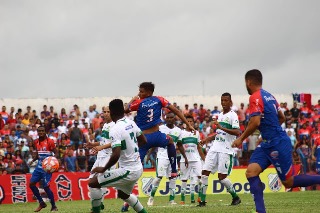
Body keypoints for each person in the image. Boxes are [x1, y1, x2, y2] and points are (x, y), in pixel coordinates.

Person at [231, 69, 320, 213]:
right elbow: (282, 117)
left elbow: (254, 122)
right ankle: (261, 211)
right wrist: (267, 132)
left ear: (248, 82)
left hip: (277, 143)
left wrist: (241, 138)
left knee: (288, 182)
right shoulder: (269, 96)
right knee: (251, 172)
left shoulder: (255, 97)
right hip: (268, 142)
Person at [88, 99, 148, 213]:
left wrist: (103, 168)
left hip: (128, 170)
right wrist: (131, 152)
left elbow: (115, 155)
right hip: (138, 167)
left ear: (111, 111)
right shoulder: (130, 122)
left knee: (93, 183)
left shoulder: (115, 129)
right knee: (123, 194)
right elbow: (143, 140)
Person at [125, 82, 195, 178]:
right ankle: (174, 170)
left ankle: (129, 178)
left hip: (144, 139)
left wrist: (132, 100)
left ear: (149, 93)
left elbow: (125, 110)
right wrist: (188, 125)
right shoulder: (159, 99)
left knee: (136, 163)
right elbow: (177, 111)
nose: (139, 94)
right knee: (170, 141)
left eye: (141, 92)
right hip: (157, 136)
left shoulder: (138, 103)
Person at [198, 93, 241, 207]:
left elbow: (237, 132)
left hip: (226, 150)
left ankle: (235, 197)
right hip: (215, 148)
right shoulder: (220, 115)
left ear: (230, 102)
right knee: (204, 173)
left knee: (222, 178)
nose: (223, 102)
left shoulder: (233, 115)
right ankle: (202, 201)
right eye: (222, 100)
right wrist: (207, 139)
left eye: (226, 100)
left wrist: (221, 127)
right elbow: (218, 133)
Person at [146, 112, 188, 206]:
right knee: (159, 177)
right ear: (165, 119)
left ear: (174, 119)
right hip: (162, 156)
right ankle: (151, 198)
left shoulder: (179, 131)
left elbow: (180, 145)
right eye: (167, 117)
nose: (169, 119)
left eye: (171, 117)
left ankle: (171, 200)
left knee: (173, 178)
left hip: (172, 157)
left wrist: (185, 157)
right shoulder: (160, 129)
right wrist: (149, 154)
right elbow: (155, 142)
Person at [85, 106, 115, 212]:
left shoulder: (115, 126)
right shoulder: (106, 125)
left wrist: (101, 147)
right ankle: (99, 203)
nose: (106, 114)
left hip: (108, 157)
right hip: (100, 156)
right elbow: (104, 142)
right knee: (92, 180)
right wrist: (92, 144)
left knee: (98, 181)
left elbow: (115, 143)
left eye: (108, 112)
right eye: (104, 112)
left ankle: (96, 206)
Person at [28, 125, 58, 212]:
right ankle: (41, 202)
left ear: (45, 132)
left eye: (42, 131)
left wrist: (53, 162)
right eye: (39, 131)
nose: (41, 132)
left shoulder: (50, 141)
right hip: (38, 167)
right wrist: (33, 160)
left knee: (46, 187)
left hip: (47, 169)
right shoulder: (36, 142)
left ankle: (53, 206)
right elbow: (38, 154)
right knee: (31, 184)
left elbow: (55, 152)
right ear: (37, 132)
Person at [179, 115, 205, 205]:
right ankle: (182, 200)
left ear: (193, 123)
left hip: (196, 159)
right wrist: (184, 156)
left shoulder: (196, 133)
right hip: (184, 160)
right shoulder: (181, 133)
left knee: (201, 178)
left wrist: (204, 159)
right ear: (184, 123)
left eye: (191, 122)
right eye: (187, 121)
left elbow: (199, 148)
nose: (189, 123)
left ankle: (200, 197)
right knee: (184, 180)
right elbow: (178, 146)